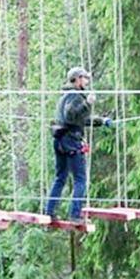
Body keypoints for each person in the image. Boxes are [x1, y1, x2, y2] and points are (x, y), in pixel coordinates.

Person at [45, 67, 114, 223]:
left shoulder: (65, 96)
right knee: (80, 179)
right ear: (77, 79)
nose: (87, 81)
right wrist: (87, 104)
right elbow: (72, 116)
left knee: (61, 177)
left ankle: (49, 211)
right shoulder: (75, 96)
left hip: (60, 140)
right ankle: (75, 215)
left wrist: (101, 121)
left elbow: (79, 119)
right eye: (84, 78)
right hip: (71, 142)